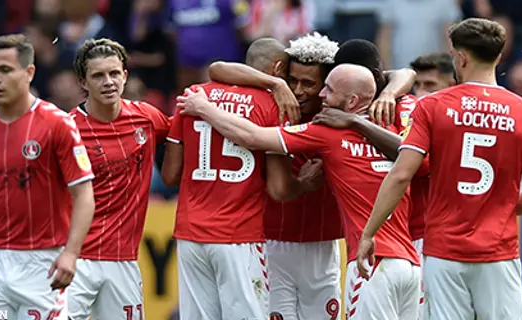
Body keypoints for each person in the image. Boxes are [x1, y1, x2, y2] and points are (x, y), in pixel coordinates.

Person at [177, 63, 421, 320]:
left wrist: (202, 107)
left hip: (371, 263)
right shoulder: (392, 128)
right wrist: (386, 96)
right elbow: (404, 77)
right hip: (410, 266)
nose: (322, 95)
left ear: (351, 101)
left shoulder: (329, 133)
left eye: (328, 88)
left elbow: (252, 136)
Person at [358, 18, 522, 320]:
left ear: (460, 58)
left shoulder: (432, 107)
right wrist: (498, 208)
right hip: (499, 252)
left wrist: (369, 232)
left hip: (443, 251)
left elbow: (401, 174)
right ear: (498, 57)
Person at [161, 37, 320, 320]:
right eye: (287, 77)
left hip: (189, 235)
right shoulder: (274, 106)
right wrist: (305, 184)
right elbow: (279, 188)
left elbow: (171, 175)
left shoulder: (194, 96)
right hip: (239, 235)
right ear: (278, 68)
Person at [0, 34, 95, 318]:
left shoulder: (57, 124)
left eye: (5, 70)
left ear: (29, 72)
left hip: (42, 261)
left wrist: (71, 253)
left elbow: (84, 195)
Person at [66, 39, 171, 319]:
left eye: (114, 73)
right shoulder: (66, 131)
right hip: (73, 259)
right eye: (98, 75)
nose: (108, 82)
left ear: (125, 76)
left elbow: (182, 137)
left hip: (122, 260)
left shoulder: (146, 118)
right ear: (83, 82)